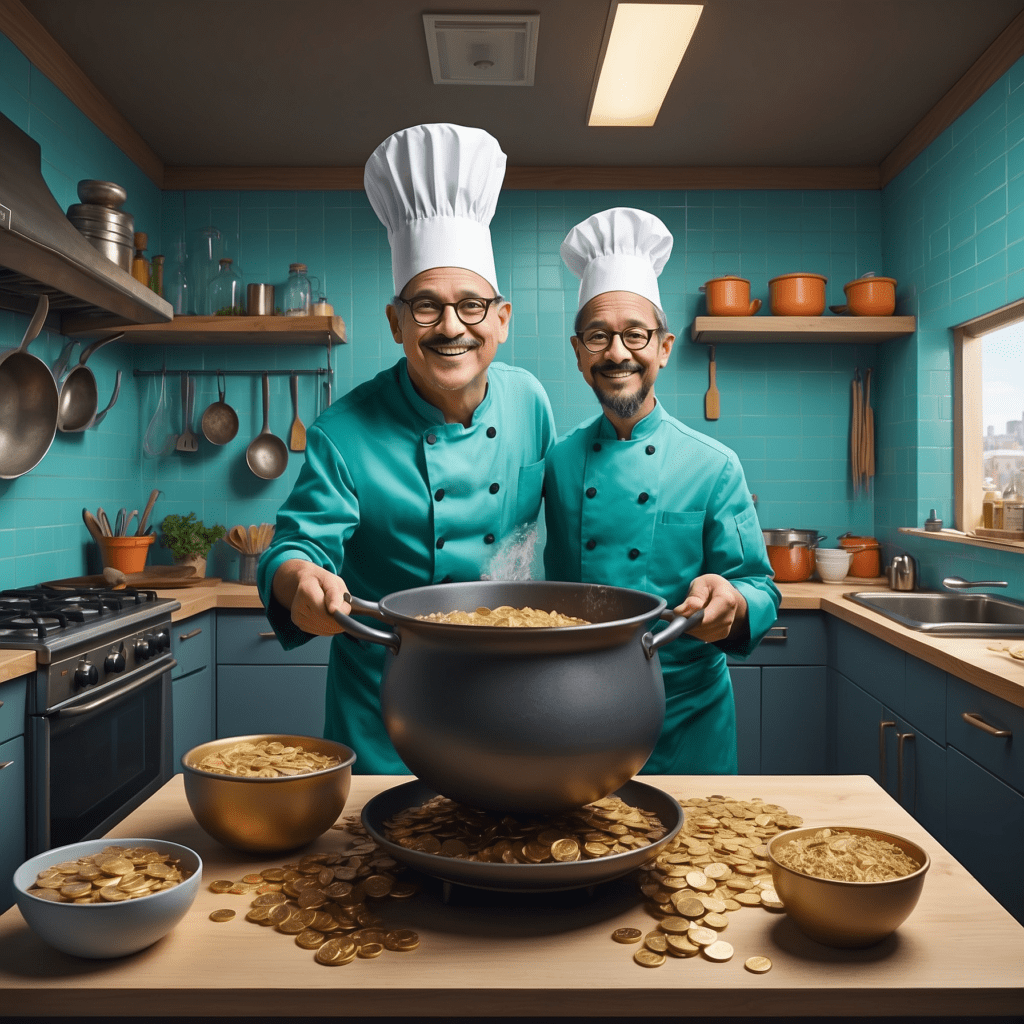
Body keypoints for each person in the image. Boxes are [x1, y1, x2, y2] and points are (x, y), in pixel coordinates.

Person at [257, 124, 556, 773]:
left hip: (516, 701)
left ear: (502, 318)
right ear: (396, 323)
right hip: (386, 717)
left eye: (471, 306)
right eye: (426, 307)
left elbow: (554, 526)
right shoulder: (344, 430)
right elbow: (296, 547)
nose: (451, 327)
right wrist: (301, 580)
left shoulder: (531, 401)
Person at [543, 207, 780, 774]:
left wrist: (734, 601)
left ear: (664, 347)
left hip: (685, 719)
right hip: (571, 709)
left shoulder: (714, 464)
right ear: (579, 353)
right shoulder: (556, 460)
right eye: (598, 336)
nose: (618, 353)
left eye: (635, 335)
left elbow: (760, 586)